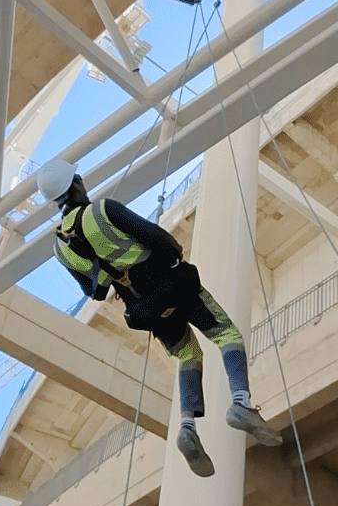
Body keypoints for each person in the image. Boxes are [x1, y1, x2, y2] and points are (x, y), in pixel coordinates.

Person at [36, 159, 281, 477]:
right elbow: (152, 235)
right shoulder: (102, 211)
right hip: (170, 285)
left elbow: (95, 292)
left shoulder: (60, 248)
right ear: (77, 183)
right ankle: (240, 403)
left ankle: (187, 426)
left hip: (143, 309)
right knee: (226, 335)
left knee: (188, 354)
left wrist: (107, 269)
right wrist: (174, 253)